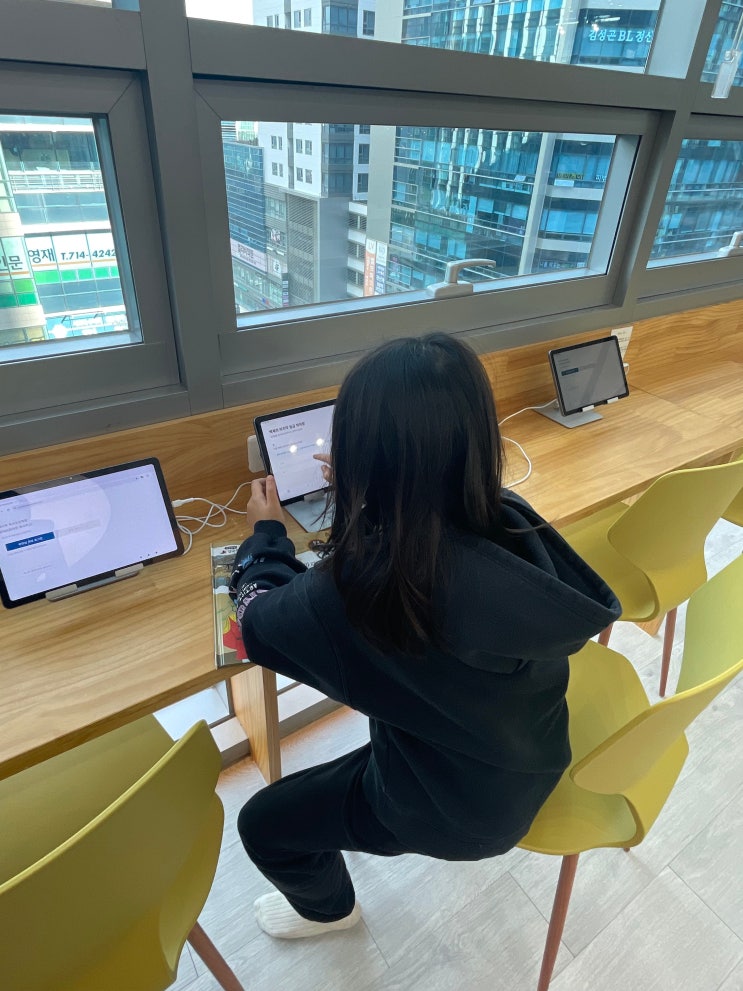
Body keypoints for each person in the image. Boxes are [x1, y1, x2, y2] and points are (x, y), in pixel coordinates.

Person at [229, 332, 620, 939]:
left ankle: (330, 912)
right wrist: (371, 496)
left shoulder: (368, 588)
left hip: (452, 811)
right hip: (520, 756)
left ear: (364, 458)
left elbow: (256, 624)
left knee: (263, 824)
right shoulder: (510, 523)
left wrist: (266, 537)